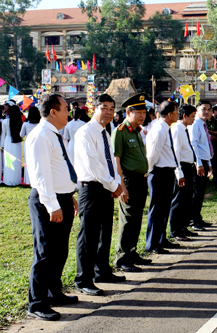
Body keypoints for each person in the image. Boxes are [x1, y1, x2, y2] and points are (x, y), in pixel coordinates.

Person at [25, 94, 79, 321]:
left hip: (62, 197)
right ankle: (37, 303)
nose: (70, 112)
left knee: (59, 250)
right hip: (48, 200)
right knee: (45, 252)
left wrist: (69, 194)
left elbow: (58, 168)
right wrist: (52, 205)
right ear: (53, 112)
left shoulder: (55, 134)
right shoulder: (40, 136)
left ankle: (53, 291)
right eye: (66, 108)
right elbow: (41, 175)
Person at [74, 94, 125, 296]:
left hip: (105, 186)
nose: (109, 112)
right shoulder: (86, 132)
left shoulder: (105, 131)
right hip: (92, 187)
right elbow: (92, 165)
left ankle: (102, 271)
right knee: (88, 236)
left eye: (112, 109)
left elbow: (109, 161)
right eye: (104, 107)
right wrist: (113, 184)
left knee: (104, 232)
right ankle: (83, 279)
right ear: (93, 108)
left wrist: (115, 183)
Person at [112, 93, 152, 272]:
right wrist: (121, 186)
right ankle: (122, 257)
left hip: (141, 179)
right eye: (138, 112)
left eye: (144, 112)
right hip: (128, 180)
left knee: (136, 218)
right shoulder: (120, 132)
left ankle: (132, 251)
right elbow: (116, 160)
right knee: (127, 218)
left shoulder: (137, 131)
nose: (142, 116)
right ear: (128, 112)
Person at [145, 100, 181, 254]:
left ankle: (161, 239)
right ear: (169, 114)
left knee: (164, 208)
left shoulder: (166, 128)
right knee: (157, 209)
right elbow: (152, 154)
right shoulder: (159, 129)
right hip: (159, 172)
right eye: (176, 112)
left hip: (167, 172)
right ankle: (153, 243)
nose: (178, 115)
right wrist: (151, 171)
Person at [169, 104, 198, 241]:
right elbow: (176, 153)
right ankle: (175, 230)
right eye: (192, 116)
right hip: (181, 168)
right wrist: (178, 172)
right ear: (185, 116)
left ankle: (183, 226)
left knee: (186, 199)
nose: (194, 119)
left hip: (188, 167)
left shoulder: (185, 129)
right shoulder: (177, 130)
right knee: (178, 200)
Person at [189, 100, 213, 231]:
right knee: (196, 192)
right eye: (204, 109)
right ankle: (192, 220)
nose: (207, 112)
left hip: (204, 161)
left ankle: (197, 218)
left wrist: (208, 163)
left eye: (209, 109)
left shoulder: (203, 124)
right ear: (197, 110)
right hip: (198, 163)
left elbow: (205, 146)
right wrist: (199, 164)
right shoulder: (195, 124)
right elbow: (194, 145)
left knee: (201, 192)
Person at [1, 105, 23, 186]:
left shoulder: (5, 121)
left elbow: (3, 134)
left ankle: (8, 179)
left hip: (7, 141)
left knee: (8, 161)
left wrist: (2, 145)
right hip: (17, 142)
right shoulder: (20, 121)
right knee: (17, 161)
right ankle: (16, 180)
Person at [21, 107, 42, 186]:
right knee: (38, 161)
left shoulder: (26, 124)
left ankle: (28, 179)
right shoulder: (40, 123)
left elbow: (21, 134)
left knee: (28, 161)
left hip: (28, 143)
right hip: (38, 143)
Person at [207, 105, 217, 185]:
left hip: (215, 145)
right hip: (205, 146)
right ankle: (206, 180)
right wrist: (208, 135)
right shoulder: (203, 122)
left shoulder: (215, 122)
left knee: (215, 163)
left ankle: (216, 179)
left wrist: (208, 131)